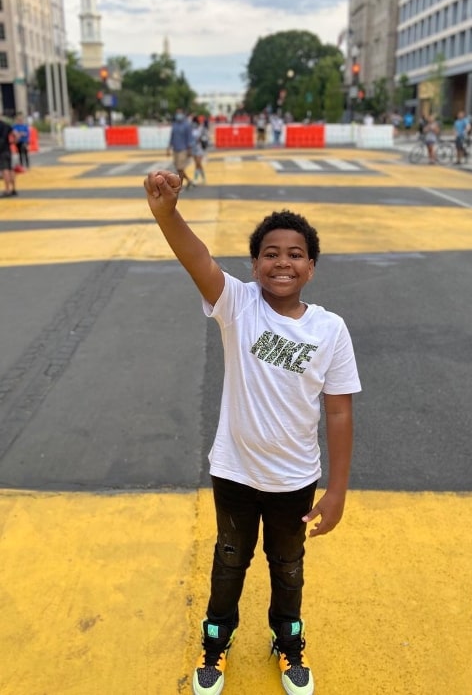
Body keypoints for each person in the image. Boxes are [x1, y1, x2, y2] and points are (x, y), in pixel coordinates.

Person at [144, 169, 362, 695]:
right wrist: (166, 213)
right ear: (255, 265)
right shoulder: (238, 306)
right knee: (229, 561)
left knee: (287, 565)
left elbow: (338, 412)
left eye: (294, 254)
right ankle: (216, 642)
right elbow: (196, 259)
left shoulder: (329, 330)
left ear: (311, 267)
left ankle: (287, 640)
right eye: (270, 253)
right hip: (236, 472)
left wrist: (336, 490)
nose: (282, 261)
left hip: (294, 479)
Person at [167, 108, 194, 190]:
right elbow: (172, 137)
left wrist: (189, 150)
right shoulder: (174, 125)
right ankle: (189, 181)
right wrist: (168, 148)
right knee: (178, 169)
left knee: (180, 168)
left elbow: (189, 138)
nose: (178, 115)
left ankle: (180, 185)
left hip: (183, 149)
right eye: (177, 113)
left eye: (180, 113)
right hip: (175, 149)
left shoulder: (187, 125)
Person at [0, 117, 17, 197]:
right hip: (8, 149)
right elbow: (15, 134)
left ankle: (7, 190)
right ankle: (13, 188)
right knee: (10, 169)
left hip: (1, 151)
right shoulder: (6, 125)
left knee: (4, 170)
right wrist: (14, 142)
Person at [191, 116, 207, 184]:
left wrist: (201, 139)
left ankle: (196, 179)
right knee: (197, 164)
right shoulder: (191, 129)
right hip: (193, 148)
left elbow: (205, 137)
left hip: (200, 148)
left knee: (198, 163)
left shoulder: (201, 129)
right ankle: (203, 178)